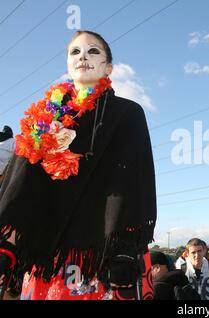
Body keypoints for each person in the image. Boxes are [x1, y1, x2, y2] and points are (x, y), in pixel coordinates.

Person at [0, 30, 157, 300]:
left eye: (93, 51)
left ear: (108, 67)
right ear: (68, 65)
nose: (83, 56)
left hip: (104, 253)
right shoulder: (45, 116)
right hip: (48, 256)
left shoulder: (128, 113)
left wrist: (124, 246)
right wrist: (7, 242)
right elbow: (21, 181)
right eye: (75, 52)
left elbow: (135, 181)